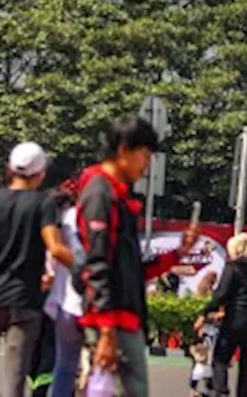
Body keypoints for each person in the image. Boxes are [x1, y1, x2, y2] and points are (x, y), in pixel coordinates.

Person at [76, 114, 198, 397]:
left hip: (123, 318)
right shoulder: (100, 193)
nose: (147, 166)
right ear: (123, 150)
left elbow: (132, 269)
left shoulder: (117, 195)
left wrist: (177, 254)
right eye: (144, 155)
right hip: (112, 319)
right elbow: (97, 265)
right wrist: (107, 330)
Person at [0, 142, 74, 397]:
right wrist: (90, 267)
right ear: (41, 173)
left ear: (9, 168)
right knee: (16, 373)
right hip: (25, 298)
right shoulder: (43, 205)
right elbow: (55, 247)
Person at [197, 233, 247, 397]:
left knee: (221, 359)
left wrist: (205, 312)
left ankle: (220, 392)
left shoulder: (233, 267)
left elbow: (222, 294)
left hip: (235, 319)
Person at [43, 186, 86, 397]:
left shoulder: (55, 225)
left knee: (64, 364)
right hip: (90, 299)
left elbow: (52, 260)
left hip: (63, 302)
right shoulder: (80, 216)